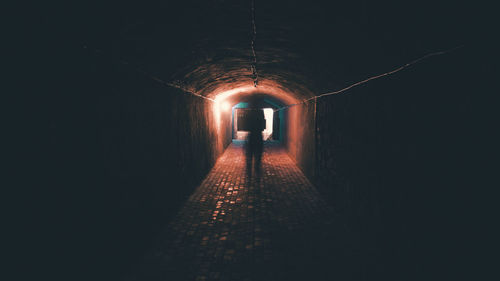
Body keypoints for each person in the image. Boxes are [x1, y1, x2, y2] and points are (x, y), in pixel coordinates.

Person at [245, 108, 265, 181]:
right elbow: (263, 125)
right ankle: (257, 174)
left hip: (252, 137)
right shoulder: (260, 111)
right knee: (258, 158)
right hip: (258, 137)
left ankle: (249, 175)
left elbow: (246, 125)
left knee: (250, 157)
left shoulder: (250, 111)